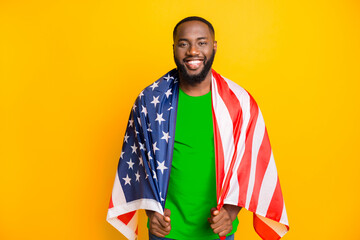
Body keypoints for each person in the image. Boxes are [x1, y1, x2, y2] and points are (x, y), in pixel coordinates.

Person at [107, 16, 289, 240]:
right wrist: (151, 210)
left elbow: (250, 165)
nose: (193, 51)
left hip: (217, 233)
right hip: (166, 233)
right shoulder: (150, 101)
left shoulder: (240, 104)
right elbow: (140, 162)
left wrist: (230, 213)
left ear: (214, 46)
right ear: (174, 48)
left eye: (201, 42)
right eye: (184, 43)